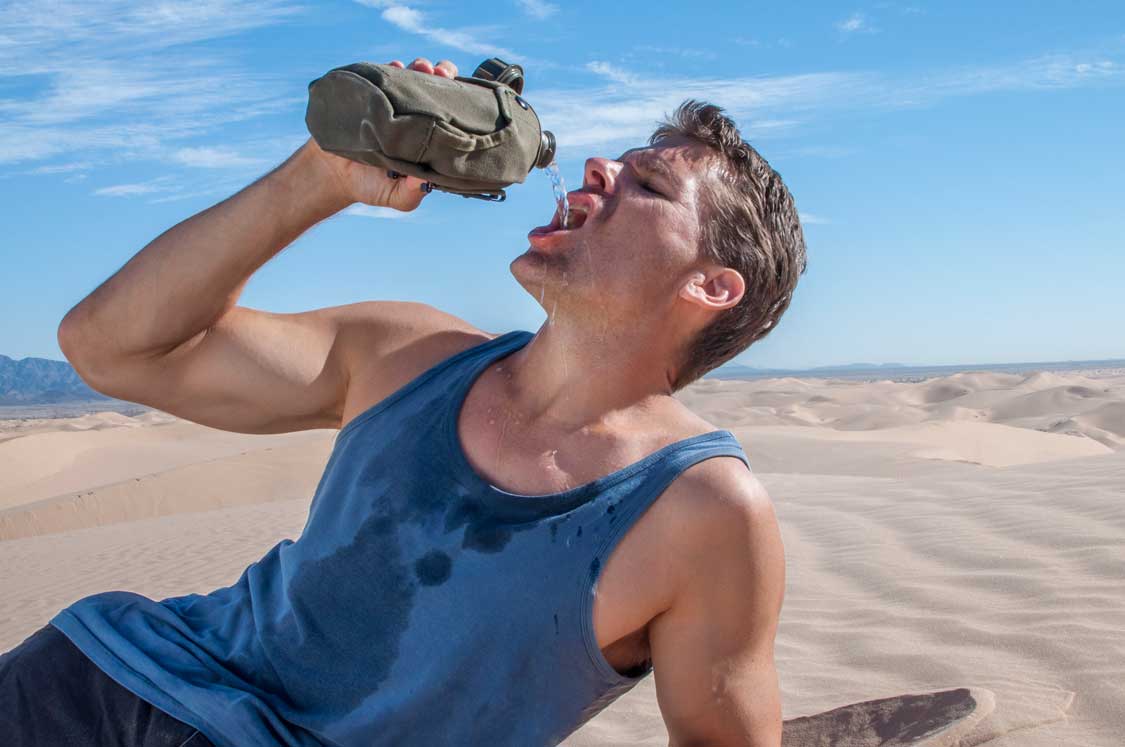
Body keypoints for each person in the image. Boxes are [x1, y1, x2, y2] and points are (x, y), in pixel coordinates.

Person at [1, 55, 805, 746]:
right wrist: (320, 175)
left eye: (649, 183)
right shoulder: (405, 352)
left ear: (711, 285)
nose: (599, 168)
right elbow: (108, 347)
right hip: (91, 680)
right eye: (615, 163)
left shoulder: (701, 508)